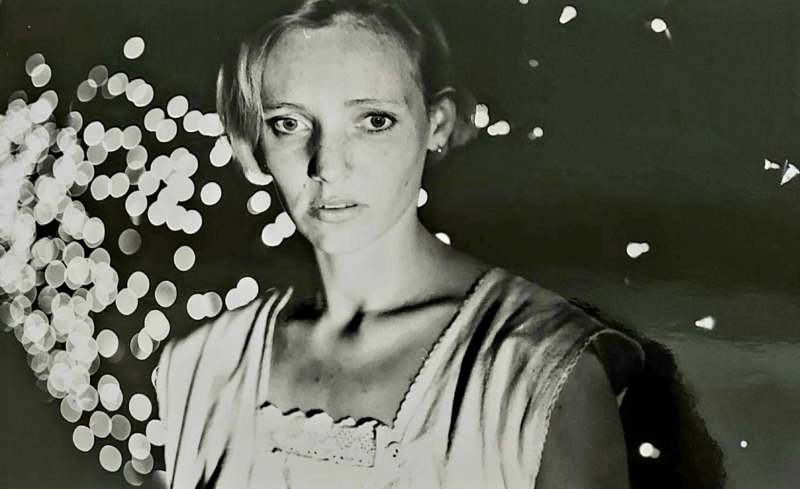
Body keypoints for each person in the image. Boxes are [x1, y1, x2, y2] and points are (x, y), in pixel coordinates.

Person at [154, 0, 647, 487]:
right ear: (253, 143)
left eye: (374, 120)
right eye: (289, 123)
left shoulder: (538, 370)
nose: (327, 166)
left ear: (437, 124)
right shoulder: (203, 366)